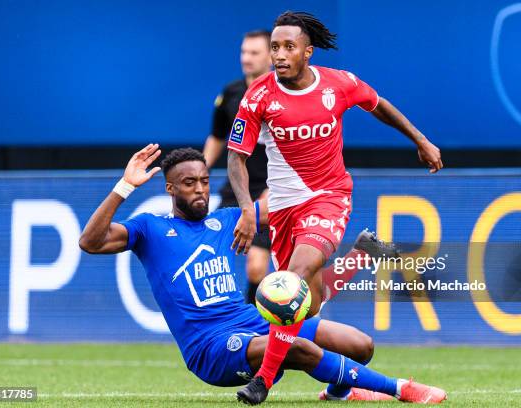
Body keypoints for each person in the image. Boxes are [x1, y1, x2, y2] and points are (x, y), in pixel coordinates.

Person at [78, 145, 446, 404]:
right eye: (189, 183)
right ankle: (401, 389)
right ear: (170, 189)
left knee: (360, 346)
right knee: (298, 347)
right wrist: (124, 187)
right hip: (212, 348)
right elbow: (90, 242)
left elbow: (283, 202)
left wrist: (316, 165)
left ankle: (340, 391)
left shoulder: (225, 220)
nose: (200, 189)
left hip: (253, 321)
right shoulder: (150, 228)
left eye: (204, 180)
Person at [227, 11, 444, 404]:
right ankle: (363, 255)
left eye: (288, 47)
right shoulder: (258, 96)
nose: (279, 54)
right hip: (283, 210)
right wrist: (246, 210)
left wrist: (421, 140)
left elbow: (378, 105)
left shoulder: (338, 84)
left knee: (289, 283)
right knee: (305, 307)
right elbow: (235, 158)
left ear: (307, 52)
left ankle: (263, 381)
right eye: (275, 47)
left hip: (329, 198)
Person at [203, 30, 272, 304]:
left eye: (254, 53)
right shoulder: (231, 93)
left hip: (269, 191)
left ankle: (250, 318)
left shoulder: (281, 94)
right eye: (244, 52)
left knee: (256, 264)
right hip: (236, 187)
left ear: (270, 56)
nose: (246, 58)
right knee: (208, 250)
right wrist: (200, 169)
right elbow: (218, 136)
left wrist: (276, 189)